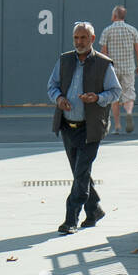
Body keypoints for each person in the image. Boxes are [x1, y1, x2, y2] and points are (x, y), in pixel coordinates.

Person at [47, 21, 121, 235]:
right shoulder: (64, 60)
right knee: (81, 173)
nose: (79, 42)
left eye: (84, 38)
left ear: (92, 39)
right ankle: (94, 209)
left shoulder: (104, 64)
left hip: (91, 129)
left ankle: (71, 219)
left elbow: (115, 92)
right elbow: (51, 86)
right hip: (68, 127)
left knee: (80, 173)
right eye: (76, 38)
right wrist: (59, 98)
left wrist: (97, 97)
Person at [98, 5, 138, 135]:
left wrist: (103, 68)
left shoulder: (107, 31)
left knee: (114, 97)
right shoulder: (132, 30)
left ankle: (117, 126)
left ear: (114, 16)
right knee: (129, 93)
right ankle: (128, 112)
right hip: (129, 67)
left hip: (113, 69)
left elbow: (103, 52)